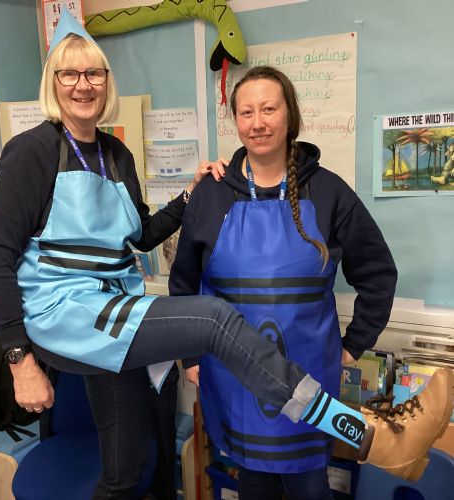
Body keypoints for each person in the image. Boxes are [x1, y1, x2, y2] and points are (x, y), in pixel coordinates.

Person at [0, 12, 452, 500]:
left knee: (128, 467)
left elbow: (141, 235)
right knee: (215, 320)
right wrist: (20, 360)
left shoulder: (115, 154)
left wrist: (188, 194)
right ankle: (370, 436)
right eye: (69, 74)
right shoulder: (30, 152)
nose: (83, 85)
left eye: (94, 73)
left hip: (112, 310)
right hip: (65, 313)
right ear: (52, 82)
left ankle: (372, 436)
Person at [169, 66, 451, 499]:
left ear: (290, 115)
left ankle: (383, 444)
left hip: (309, 373)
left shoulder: (329, 192)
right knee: (254, 479)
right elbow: (184, 282)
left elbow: (377, 273)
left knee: (308, 483)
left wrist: (353, 345)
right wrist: (190, 355)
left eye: (269, 109)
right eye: (246, 112)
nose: (258, 122)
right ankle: (387, 442)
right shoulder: (212, 194)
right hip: (233, 375)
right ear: (236, 121)